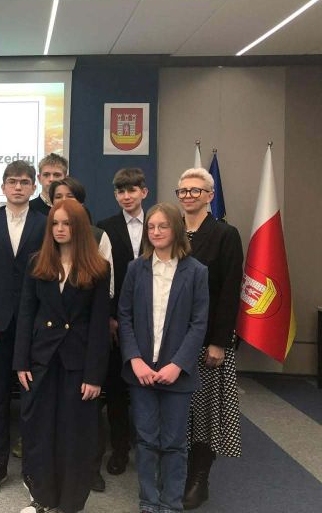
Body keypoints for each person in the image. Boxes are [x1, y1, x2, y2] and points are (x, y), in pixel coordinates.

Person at [15, 199, 111, 513]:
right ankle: (43, 498)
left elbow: (99, 325)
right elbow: (26, 314)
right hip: (41, 360)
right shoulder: (36, 262)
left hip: (77, 362)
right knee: (40, 432)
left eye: (66, 223)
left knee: (75, 436)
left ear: (79, 227)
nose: (59, 229)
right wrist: (21, 362)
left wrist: (94, 375)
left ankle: (71, 503)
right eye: (55, 223)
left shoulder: (99, 268)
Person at [117, 203, 209, 513]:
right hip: (141, 371)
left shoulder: (196, 271)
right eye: (151, 227)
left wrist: (178, 364)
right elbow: (124, 316)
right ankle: (148, 501)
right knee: (146, 440)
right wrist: (134, 359)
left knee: (173, 443)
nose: (155, 232)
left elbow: (199, 324)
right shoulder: (136, 268)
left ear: (176, 230)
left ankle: (170, 503)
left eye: (163, 226)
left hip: (176, 373)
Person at [0, 160, 46, 496]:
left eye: (24, 182)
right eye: (12, 181)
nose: (18, 187)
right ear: (3, 187)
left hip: (35, 327)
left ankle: (33, 469)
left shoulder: (45, 224)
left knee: (33, 400)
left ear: (34, 187)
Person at [175, 168, 243, 510]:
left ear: (210, 196)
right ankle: (176, 470)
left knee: (203, 412)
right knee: (177, 410)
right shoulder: (168, 230)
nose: (188, 196)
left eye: (196, 190)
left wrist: (219, 342)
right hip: (172, 338)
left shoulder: (224, 234)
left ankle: (199, 477)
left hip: (207, 339)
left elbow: (230, 291)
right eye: (183, 191)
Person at [49, 175, 115, 491]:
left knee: (87, 411)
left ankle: (91, 469)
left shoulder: (98, 236)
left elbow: (106, 290)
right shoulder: (48, 239)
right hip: (51, 345)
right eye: (58, 196)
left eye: (70, 196)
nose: (64, 201)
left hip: (83, 339)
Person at [96, 168, 150, 477]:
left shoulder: (159, 223)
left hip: (153, 320)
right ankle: (119, 448)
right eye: (121, 191)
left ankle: (148, 448)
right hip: (117, 320)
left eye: (132, 190)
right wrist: (110, 316)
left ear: (144, 192)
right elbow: (104, 278)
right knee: (116, 387)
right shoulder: (105, 227)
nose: (126, 196)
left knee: (148, 388)